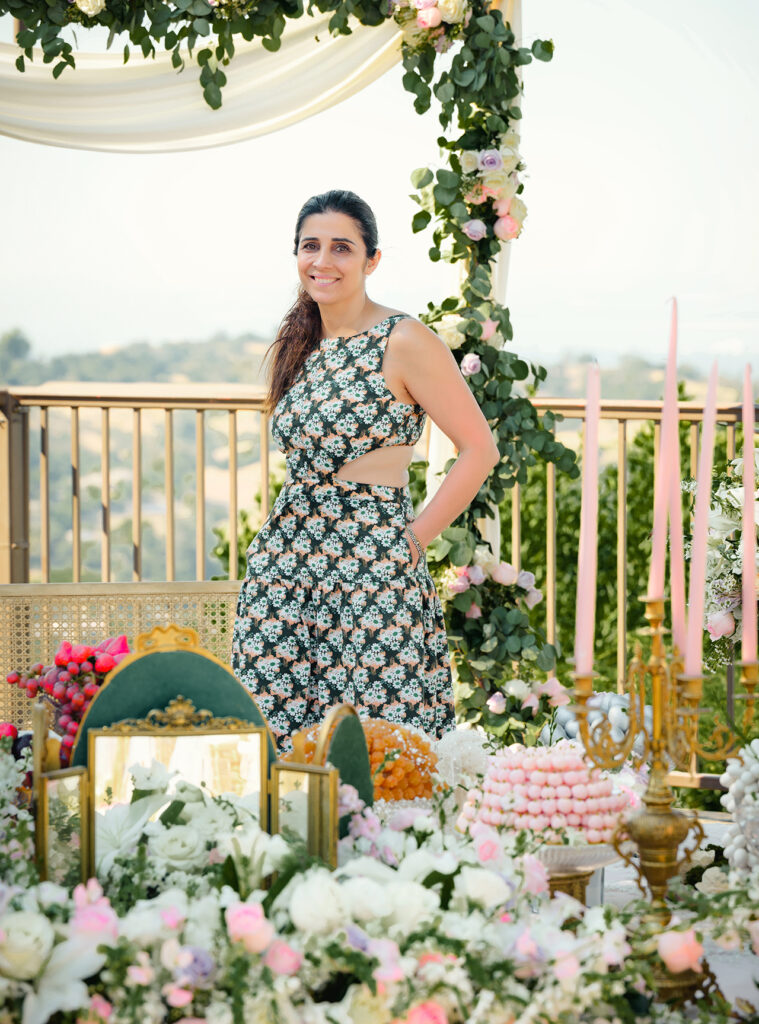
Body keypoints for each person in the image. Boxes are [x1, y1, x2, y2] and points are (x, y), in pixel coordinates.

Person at [231, 189, 500, 752]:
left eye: (341, 248)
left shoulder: (404, 340)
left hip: (370, 565)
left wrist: (412, 541)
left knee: (383, 745)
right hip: (288, 568)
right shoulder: (300, 342)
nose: (322, 261)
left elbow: (479, 448)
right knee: (285, 745)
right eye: (311, 246)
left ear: (371, 260)